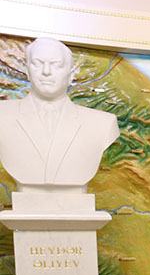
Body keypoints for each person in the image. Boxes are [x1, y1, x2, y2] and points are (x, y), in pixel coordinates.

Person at [0, 37, 119, 191]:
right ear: (28, 71)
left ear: (71, 75)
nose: (46, 71)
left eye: (56, 65)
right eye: (37, 63)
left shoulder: (103, 123)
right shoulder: (3, 115)